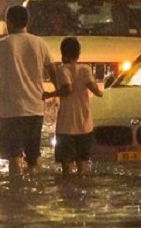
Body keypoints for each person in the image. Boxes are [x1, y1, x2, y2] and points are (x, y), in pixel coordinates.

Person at [0, 5, 58, 176]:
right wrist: (58, 93)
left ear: (9, 22)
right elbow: (53, 72)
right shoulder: (40, 44)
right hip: (36, 110)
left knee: (13, 157)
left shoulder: (2, 45)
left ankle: (16, 193)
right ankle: (33, 191)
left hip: (12, 112)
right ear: (27, 22)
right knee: (33, 158)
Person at [42, 36, 102, 176]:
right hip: (85, 125)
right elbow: (96, 91)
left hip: (66, 126)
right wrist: (102, 90)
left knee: (66, 167)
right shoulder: (85, 69)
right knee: (82, 165)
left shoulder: (62, 70)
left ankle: (68, 193)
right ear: (78, 53)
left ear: (63, 53)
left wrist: (49, 94)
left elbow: (67, 89)